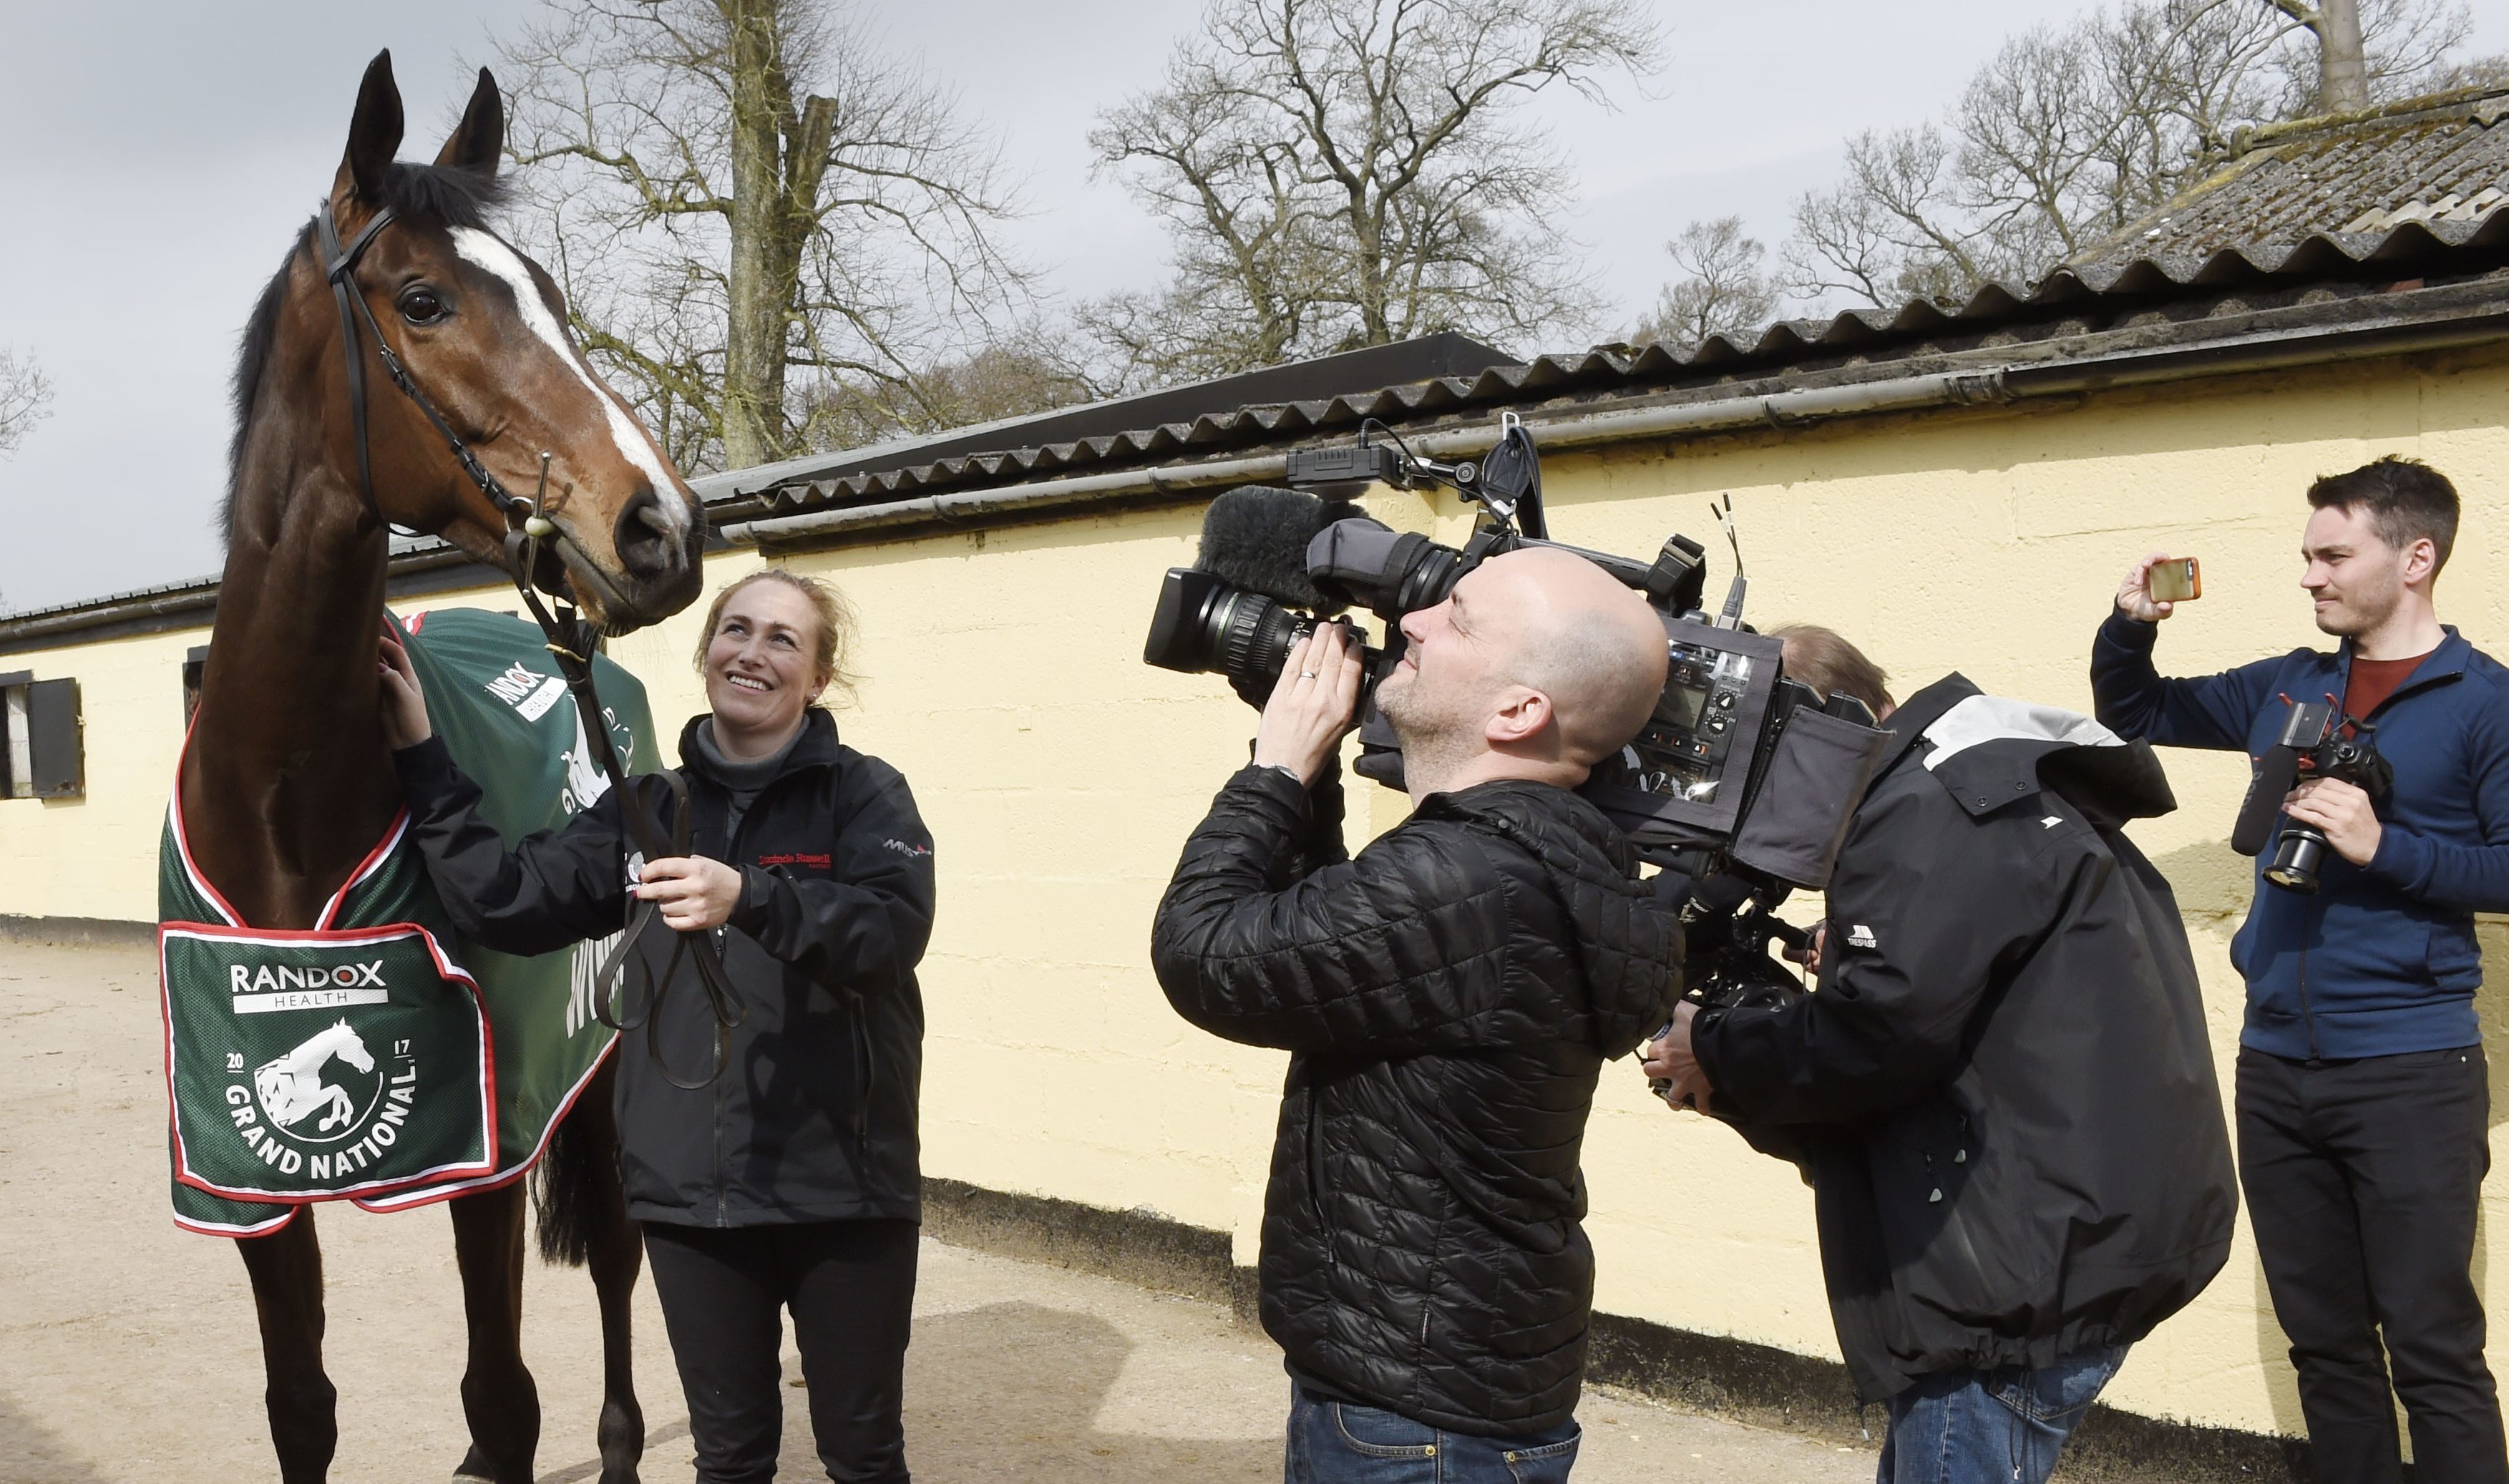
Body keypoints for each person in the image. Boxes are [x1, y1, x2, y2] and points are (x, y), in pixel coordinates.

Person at [378, 570, 936, 1484]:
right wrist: (421, 751)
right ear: (706, 649)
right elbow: (504, 900)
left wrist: (748, 895)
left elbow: (891, 929)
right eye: (735, 629)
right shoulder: (647, 809)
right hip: (692, 1198)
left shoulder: (865, 795)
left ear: (819, 678)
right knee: (729, 1459)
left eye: (783, 640)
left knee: (864, 1456)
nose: (751, 652)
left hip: (844, 1187)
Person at [1645, 629, 2237, 1484]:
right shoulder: (1967, 776)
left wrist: (1711, 1042)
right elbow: (1953, 1000)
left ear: (1820, 727)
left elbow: (1874, 1043)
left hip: (2007, 1288)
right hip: (2060, 1239)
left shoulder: (1925, 810)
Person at [1150, 547, 1683, 1483]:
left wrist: (1276, 769)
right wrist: (1310, 777)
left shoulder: (1469, 879)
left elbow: (1208, 953)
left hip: (1417, 1418)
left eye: (1460, 619)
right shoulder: (1522, 863)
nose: (1415, 622)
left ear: (1519, 710)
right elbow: (1326, 944)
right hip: (1440, 1388)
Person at [2091, 456, 2509, 1484]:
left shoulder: (2484, 702)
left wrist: (2385, 845)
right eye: (2305, 556)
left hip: (2409, 1068)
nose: (2309, 576)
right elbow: (2134, 711)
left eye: (2332, 554)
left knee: (2432, 1350)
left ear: (2415, 558)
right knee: (2322, 1343)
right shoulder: (2291, 681)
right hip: (2275, 1066)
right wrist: (2128, 622)